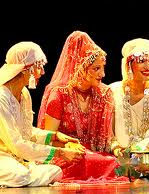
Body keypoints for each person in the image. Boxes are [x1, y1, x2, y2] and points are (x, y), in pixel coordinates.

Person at [37, 30, 129, 184]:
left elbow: (109, 137)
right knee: (95, 162)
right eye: (96, 69)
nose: (103, 74)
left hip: (94, 154)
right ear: (79, 68)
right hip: (67, 155)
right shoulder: (59, 95)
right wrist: (68, 144)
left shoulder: (103, 94)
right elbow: (48, 138)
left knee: (118, 163)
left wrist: (117, 148)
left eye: (102, 67)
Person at [0, 41, 85, 188]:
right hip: (4, 155)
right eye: (39, 66)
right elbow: (16, 143)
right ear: (25, 69)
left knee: (56, 171)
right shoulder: (2, 97)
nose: (43, 72)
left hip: (16, 158)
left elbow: (26, 131)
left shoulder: (24, 94)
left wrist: (54, 135)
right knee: (19, 176)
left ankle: (25, 177)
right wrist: (60, 153)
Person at [110, 38, 149, 159]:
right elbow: (107, 133)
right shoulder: (112, 91)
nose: (148, 66)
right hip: (115, 157)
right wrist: (116, 149)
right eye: (141, 61)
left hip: (147, 159)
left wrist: (137, 153)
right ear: (129, 64)